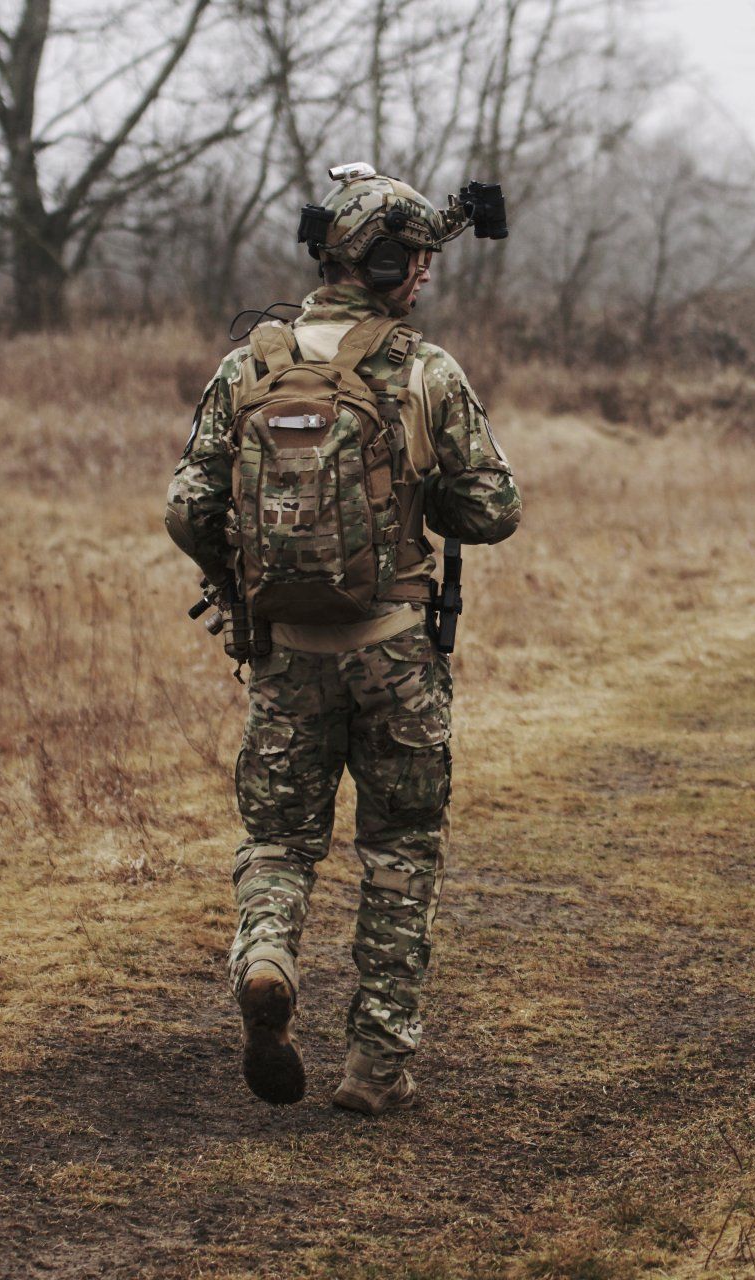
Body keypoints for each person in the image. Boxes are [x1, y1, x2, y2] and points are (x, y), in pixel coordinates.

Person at [165, 165, 521, 1115]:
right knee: (401, 850)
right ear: (393, 264)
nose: (428, 279)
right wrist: (424, 493)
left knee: (279, 840)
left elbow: (187, 504)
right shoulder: (422, 370)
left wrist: (239, 590)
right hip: (397, 651)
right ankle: (376, 1068)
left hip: (285, 653)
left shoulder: (251, 364)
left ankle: (269, 955)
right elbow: (494, 510)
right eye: (420, 262)